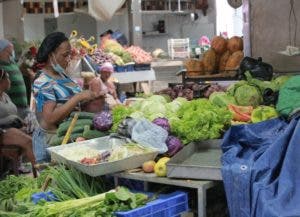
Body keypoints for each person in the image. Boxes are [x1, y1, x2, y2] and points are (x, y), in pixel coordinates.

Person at [32, 32, 102, 163]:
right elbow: (50, 118)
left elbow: (72, 107)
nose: (68, 59)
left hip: (69, 138)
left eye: (70, 54)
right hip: (52, 142)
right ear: (50, 55)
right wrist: (78, 97)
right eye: (65, 55)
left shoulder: (64, 77)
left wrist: (92, 98)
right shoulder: (42, 81)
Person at [0, 69, 35, 173]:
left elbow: (12, 113)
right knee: (29, 142)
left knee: (35, 135)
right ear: (1, 81)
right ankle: (40, 171)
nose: (10, 81)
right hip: (3, 131)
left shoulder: (5, 96)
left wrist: (22, 121)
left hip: (13, 127)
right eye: (7, 78)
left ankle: (18, 165)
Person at [0, 39, 29, 119]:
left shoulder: (12, 62)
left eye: (11, 52)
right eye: (9, 53)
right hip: (11, 109)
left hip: (24, 106)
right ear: (1, 52)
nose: (11, 55)